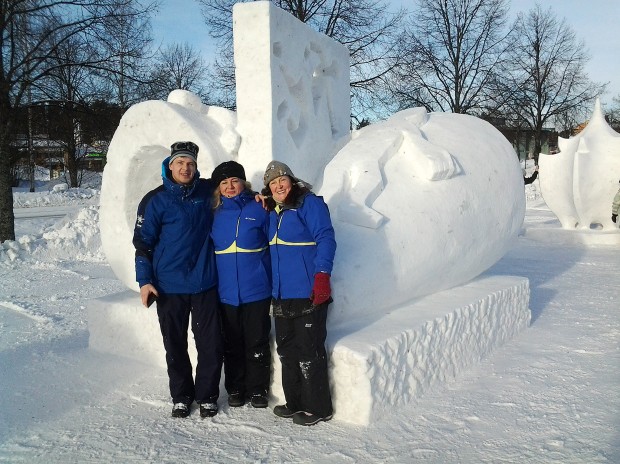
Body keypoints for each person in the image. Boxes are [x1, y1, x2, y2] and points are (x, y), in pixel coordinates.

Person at [133, 141, 223, 419]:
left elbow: (236, 191)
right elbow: (142, 244)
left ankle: (207, 395)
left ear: (196, 167)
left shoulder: (208, 192)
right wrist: (144, 280)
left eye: (191, 163)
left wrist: (260, 197)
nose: (185, 168)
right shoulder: (155, 200)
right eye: (180, 163)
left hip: (205, 282)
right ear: (169, 165)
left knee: (210, 343)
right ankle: (182, 396)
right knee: (174, 342)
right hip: (169, 286)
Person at [260, 161, 336, 426]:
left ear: (291, 181)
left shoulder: (309, 204)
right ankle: (294, 403)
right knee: (287, 350)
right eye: (273, 183)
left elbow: (326, 237)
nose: (279, 185)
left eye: (282, 180)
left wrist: (322, 276)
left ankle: (318, 407)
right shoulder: (274, 212)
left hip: (309, 292)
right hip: (281, 293)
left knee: (309, 350)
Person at [210, 161, 272, 409]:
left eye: (234, 181)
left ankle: (258, 390)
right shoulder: (213, 213)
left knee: (257, 341)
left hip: (256, 289)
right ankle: (235, 388)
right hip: (226, 293)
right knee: (232, 343)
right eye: (224, 183)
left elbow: (274, 243)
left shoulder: (260, 208)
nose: (229, 186)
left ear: (243, 183)